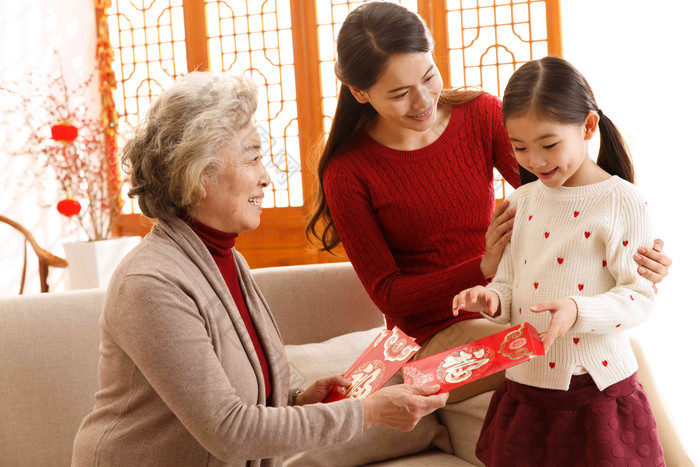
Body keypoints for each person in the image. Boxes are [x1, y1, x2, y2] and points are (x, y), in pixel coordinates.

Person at [71, 72, 448, 467]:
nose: (266, 177)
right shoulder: (150, 283)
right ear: (198, 173)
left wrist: (298, 401)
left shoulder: (226, 259)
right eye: (252, 156)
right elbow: (230, 432)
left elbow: (231, 398)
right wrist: (368, 412)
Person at [306, 0, 671, 403]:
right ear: (359, 91)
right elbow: (388, 294)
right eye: (399, 93)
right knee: (558, 354)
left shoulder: (479, 115)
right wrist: (480, 266)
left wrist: (632, 250)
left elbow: (562, 196)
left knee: (610, 349)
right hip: (430, 334)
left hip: (509, 303)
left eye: (429, 76)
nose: (423, 100)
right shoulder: (347, 171)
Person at [452, 56, 664, 465]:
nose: (535, 160)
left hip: (595, 392)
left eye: (549, 144)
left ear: (587, 127)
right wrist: (491, 299)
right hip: (527, 388)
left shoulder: (622, 201)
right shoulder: (520, 201)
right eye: (520, 147)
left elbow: (638, 297)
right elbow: (510, 286)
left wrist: (576, 310)